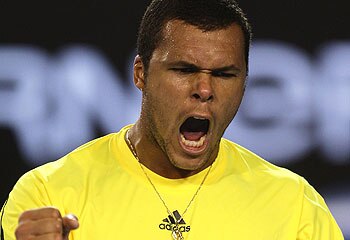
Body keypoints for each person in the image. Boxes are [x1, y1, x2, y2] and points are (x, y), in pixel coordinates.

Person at [0, 0, 344, 239]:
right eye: (184, 70)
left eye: (225, 74)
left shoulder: (295, 205)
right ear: (141, 74)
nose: (205, 89)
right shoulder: (49, 196)